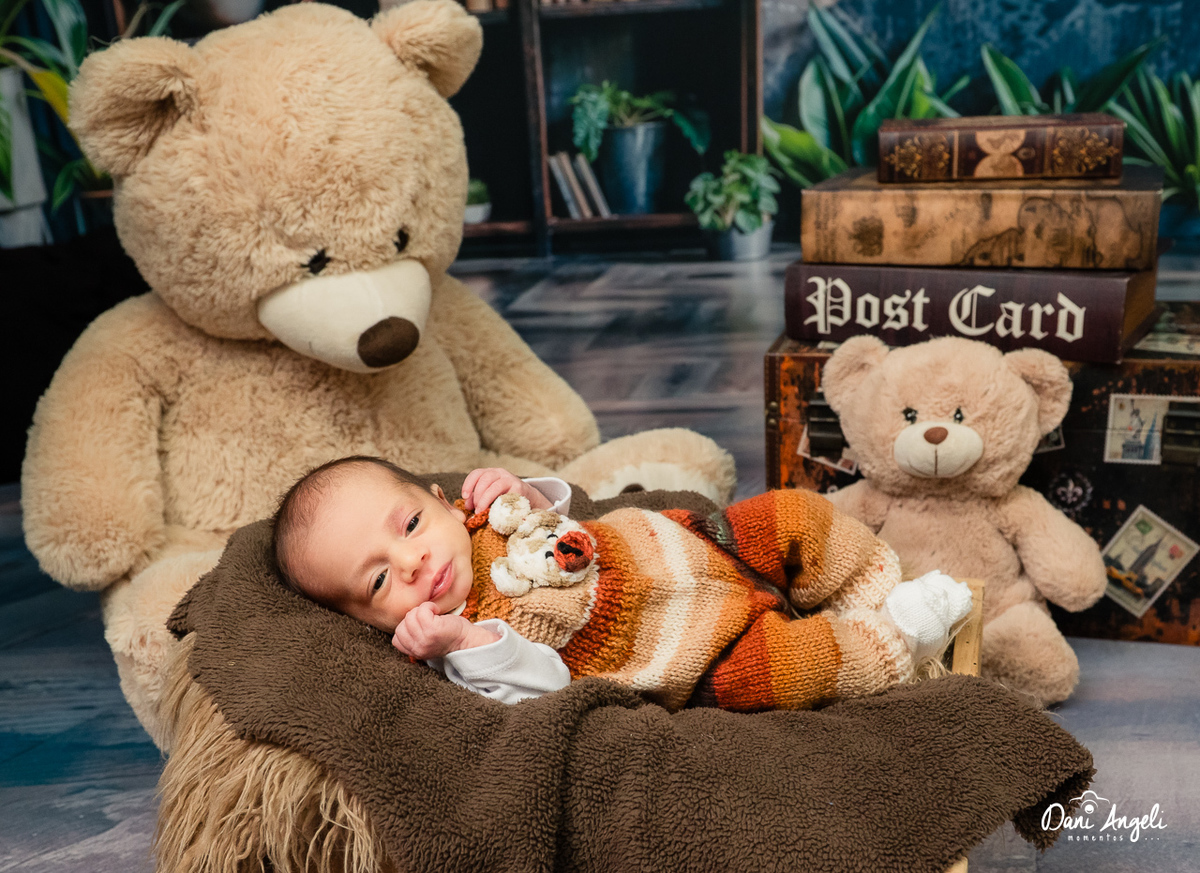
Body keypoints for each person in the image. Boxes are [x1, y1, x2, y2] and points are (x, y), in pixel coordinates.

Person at [271, 456, 972, 709]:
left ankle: (871, 585)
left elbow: (562, 521)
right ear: (367, 621)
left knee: (794, 514)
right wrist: (459, 640)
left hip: (694, 545)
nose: (413, 562)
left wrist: (523, 491)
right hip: (700, 656)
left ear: (439, 499)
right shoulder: (461, 645)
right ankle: (896, 637)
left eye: (409, 524)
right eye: (379, 580)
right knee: (793, 667)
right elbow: (541, 686)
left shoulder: (486, 516)